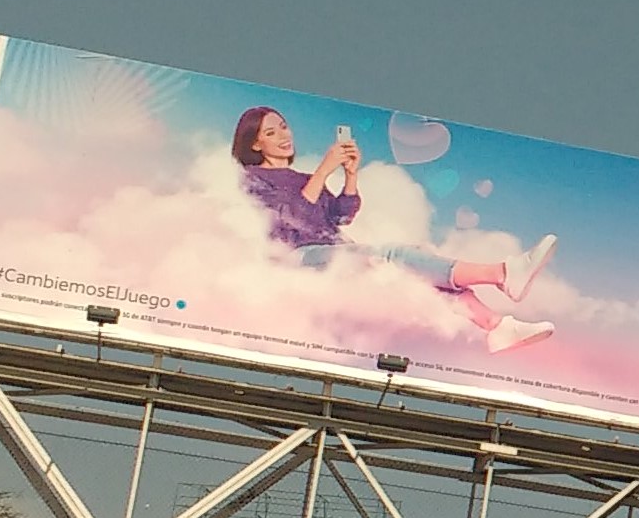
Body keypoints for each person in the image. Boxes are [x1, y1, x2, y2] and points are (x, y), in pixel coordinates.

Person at [231, 106, 557, 354]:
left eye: (284, 126)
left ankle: (496, 326)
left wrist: (350, 175)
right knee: (392, 254)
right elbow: (291, 219)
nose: (284, 135)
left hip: (334, 250)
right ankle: (502, 273)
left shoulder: (303, 178)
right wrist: (324, 170)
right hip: (299, 258)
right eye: (271, 132)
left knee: (419, 270)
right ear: (255, 144)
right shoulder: (251, 178)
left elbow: (341, 215)